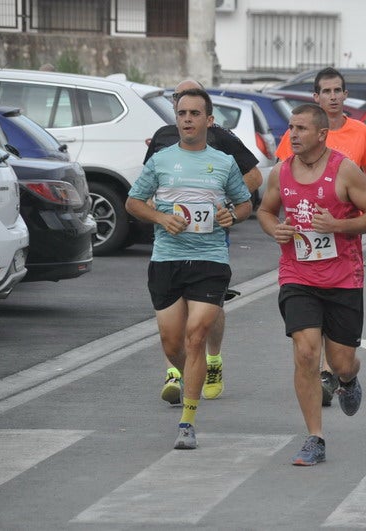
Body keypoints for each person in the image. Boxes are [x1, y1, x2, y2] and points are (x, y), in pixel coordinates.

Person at [257, 103, 366, 465]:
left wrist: (339, 226)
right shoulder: (280, 173)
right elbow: (265, 211)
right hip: (298, 276)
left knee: (342, 362)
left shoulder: (344, 170)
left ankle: (347, 380)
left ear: (321, 134)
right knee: (306, 352)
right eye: (290, 128)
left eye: (300, 129)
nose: (292, 135)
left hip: (343, 278)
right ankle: (315, 437)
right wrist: (274, 229)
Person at [126, 88, 252, 449]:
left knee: (197, 336)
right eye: (182, 113)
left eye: (195, 113)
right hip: (167, 259)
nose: (187, 119)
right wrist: (162, 218)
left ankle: (187, 421)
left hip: (210, 259)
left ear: (209, 121)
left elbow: (244, 204)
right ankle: (189, 377)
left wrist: (232, 215)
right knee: (173, 343)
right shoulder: (161, 161)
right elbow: (133, 202)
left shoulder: (224, 162)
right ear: (176, 118)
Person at [145, 79, 263, 405]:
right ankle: (174, 371)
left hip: (210, 237)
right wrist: (155, 207)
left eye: (193, 109)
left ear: (206, 115)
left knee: (209, 304)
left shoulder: (220, 137)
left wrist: (226, 204)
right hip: (170, 238)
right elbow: (148, 182)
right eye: (178, 104)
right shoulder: (162, 139)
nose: (185, 115)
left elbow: (254, 176)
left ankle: (212, 360)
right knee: (173, 312)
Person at [274, 66, 366, 406]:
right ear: (316, 96)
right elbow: (284, 180)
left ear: (345, 94)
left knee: (343, 357)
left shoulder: (360, 132)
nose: (334, 96)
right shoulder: (299, 133)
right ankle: (321, 372)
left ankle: (341, 372)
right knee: (306, 339)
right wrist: (279, 223)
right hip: (304, 244)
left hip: (343, 234)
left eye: (339, 90)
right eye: (327, 91)